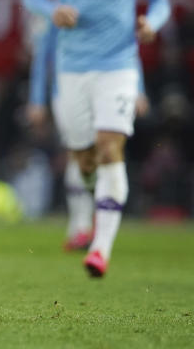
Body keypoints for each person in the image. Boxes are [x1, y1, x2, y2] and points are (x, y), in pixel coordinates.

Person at [22, 0, 170, 278]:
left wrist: (151, 24)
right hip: (71, 70)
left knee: (109, 148)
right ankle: (85, 221)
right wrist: (52, 10)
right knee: (84, 159)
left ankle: (100, 249)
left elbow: (161, 1)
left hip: (118, 67)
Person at [25, 20, 149, 252]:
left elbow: (128, 50)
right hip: (67, 93)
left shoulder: (109, 12)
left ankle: (95, 225)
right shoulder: (59, 17)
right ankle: (80, 226)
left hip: (107, 91)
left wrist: (138, 89)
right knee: (79, 155)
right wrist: (37, 99)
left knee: (106, 151)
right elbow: (43, 59)